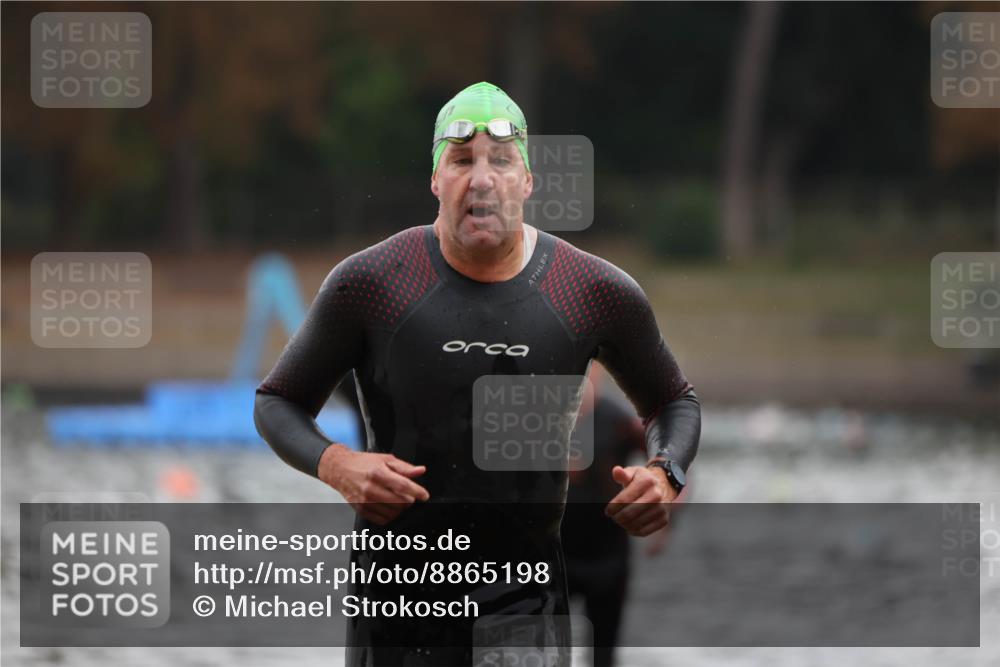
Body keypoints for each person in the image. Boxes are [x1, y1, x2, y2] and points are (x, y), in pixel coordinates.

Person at [254, 81, 701, 666]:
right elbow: (276, 401)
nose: (482, 179)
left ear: (528, 182)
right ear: (436, 181)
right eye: (462, 160)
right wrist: (337, 464)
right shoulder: (372, 283)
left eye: (502, 161)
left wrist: (666, 473)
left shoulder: (591, 291)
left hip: (523, 610)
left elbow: (674, 401)